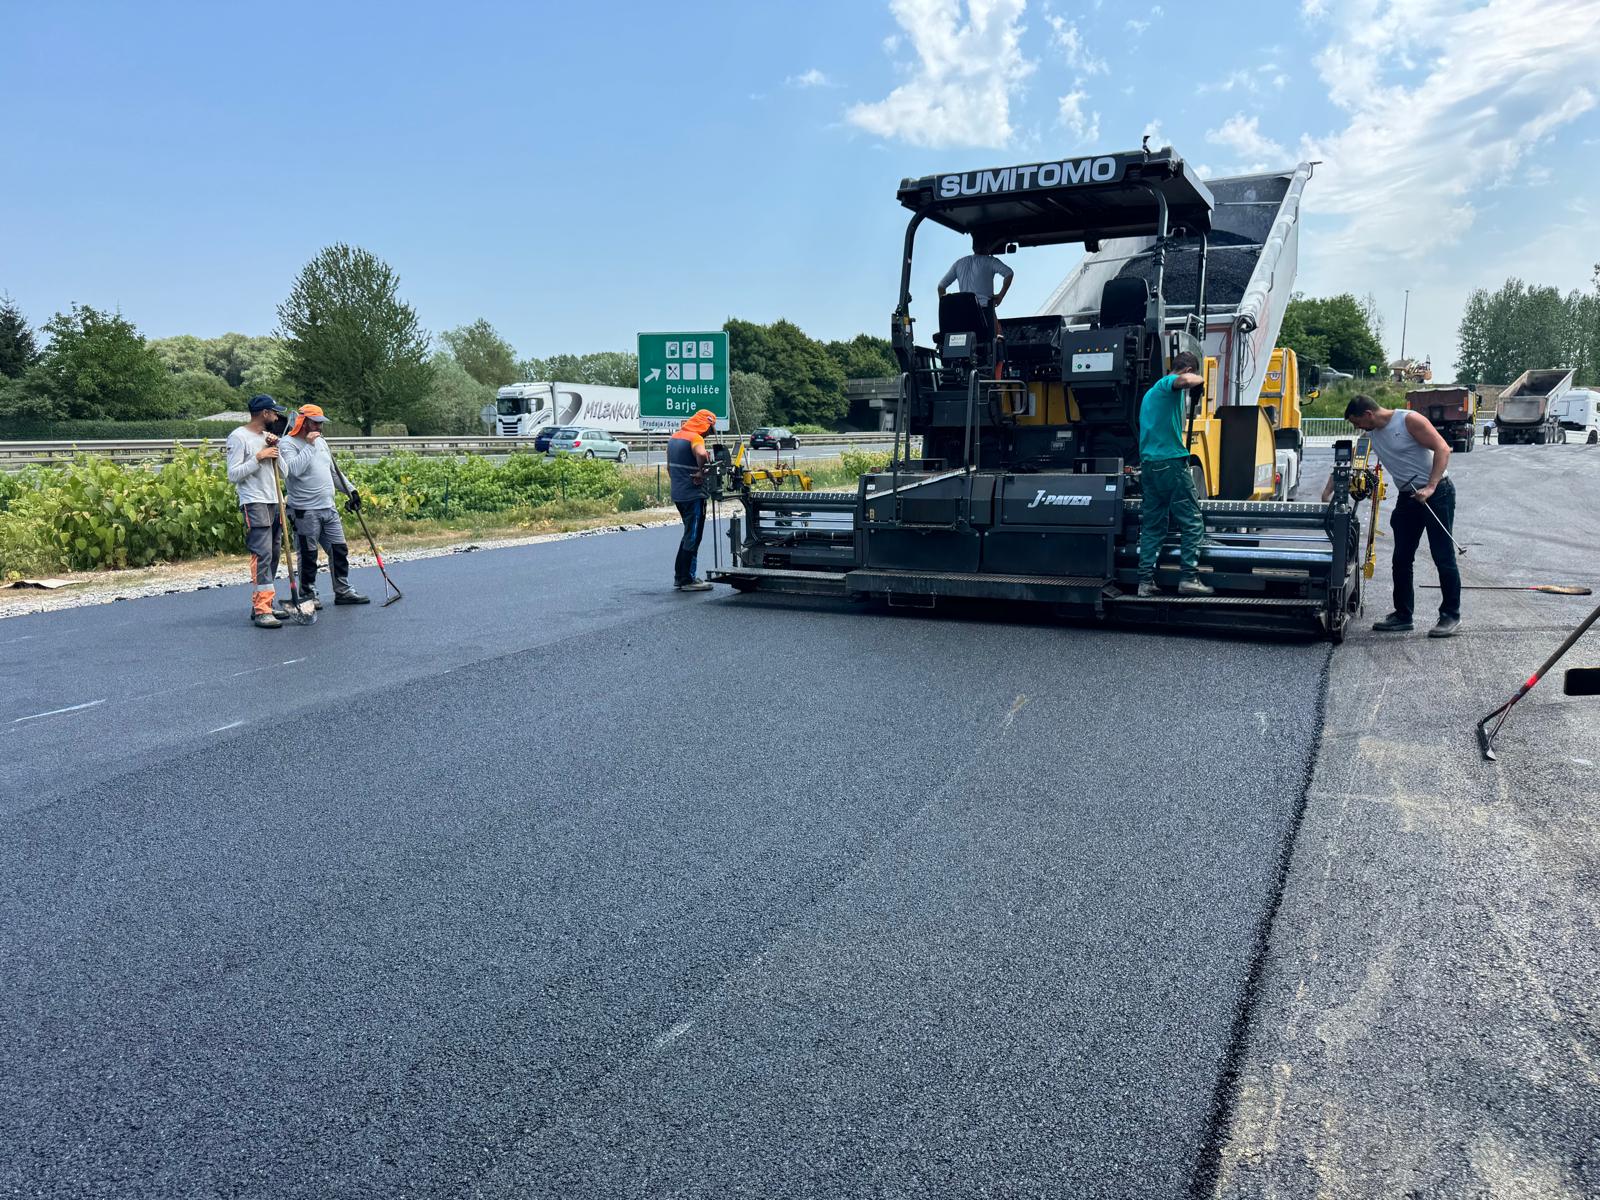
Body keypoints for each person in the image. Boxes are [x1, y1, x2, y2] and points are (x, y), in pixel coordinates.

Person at [1323, 394, 1460, 637]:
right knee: (1401, 559)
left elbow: (1442, 448)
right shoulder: (1370, 436)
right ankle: (1403, 615)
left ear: (1368, 414)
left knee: (1443, 556)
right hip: (1408, 496)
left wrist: (1431, 486)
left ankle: (1450, 615)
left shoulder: (1409, 421)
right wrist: (1327, 492)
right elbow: (1349, 461)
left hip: (1437, 493)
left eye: (1357, 422)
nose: (1357, 428)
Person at [277, 403, 369, 608]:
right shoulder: (288, 443)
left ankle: (343, 590)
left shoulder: (321, 442)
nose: (319, 427)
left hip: (328, 507)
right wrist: (309, 446)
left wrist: (351, 491)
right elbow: (293, 470)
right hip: (304, 510)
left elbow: (333, 472)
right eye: (315, 423)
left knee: (339, 549)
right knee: (308, 554)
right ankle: (308, 593)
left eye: (321, 423)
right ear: (303, 422)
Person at [1136, 351, 1213, 597]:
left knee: (1153, 525)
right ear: (1188, 368)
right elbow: (1185, 381)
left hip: (1149, 466)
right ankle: (1189, 577)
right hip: (1170, 463)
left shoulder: (1150, 394)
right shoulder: (1166, 383)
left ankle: (1145, 582)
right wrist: (1199, 380)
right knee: (1192, 520)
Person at [226, 394, 291, 628]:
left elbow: (284, 473)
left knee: (273, 553)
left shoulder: (268, 438)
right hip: (254, 501)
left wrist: (275, 448)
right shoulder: (238, 437)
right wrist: (258, 457)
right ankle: (262, 608)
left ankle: (265, 603)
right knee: (262, 553)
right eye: (274, 413)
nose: (277, 417)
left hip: (275, 500)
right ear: (264, 413)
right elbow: (233, 474)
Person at [667, 409, 717, 591]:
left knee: (688, 533)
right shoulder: (695, 438)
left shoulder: (674, 438)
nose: (708, 434)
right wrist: (701, 472)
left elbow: (669, 468)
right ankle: (687, 579)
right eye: (709, 429)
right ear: (704, 425)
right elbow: (701, 454)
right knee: (693, 536)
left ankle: (680, 576)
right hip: (693, 495)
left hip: (678, 494)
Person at [938, 246, 1013, 339]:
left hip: (962, 315)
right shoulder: (990, 261)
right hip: (984, 314)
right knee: (997, 339)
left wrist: (947, 311)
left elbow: (941, 287)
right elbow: (1009, 273)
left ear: (973, 247)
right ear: (987, 246)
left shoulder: (959, 263)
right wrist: (1001, 296)